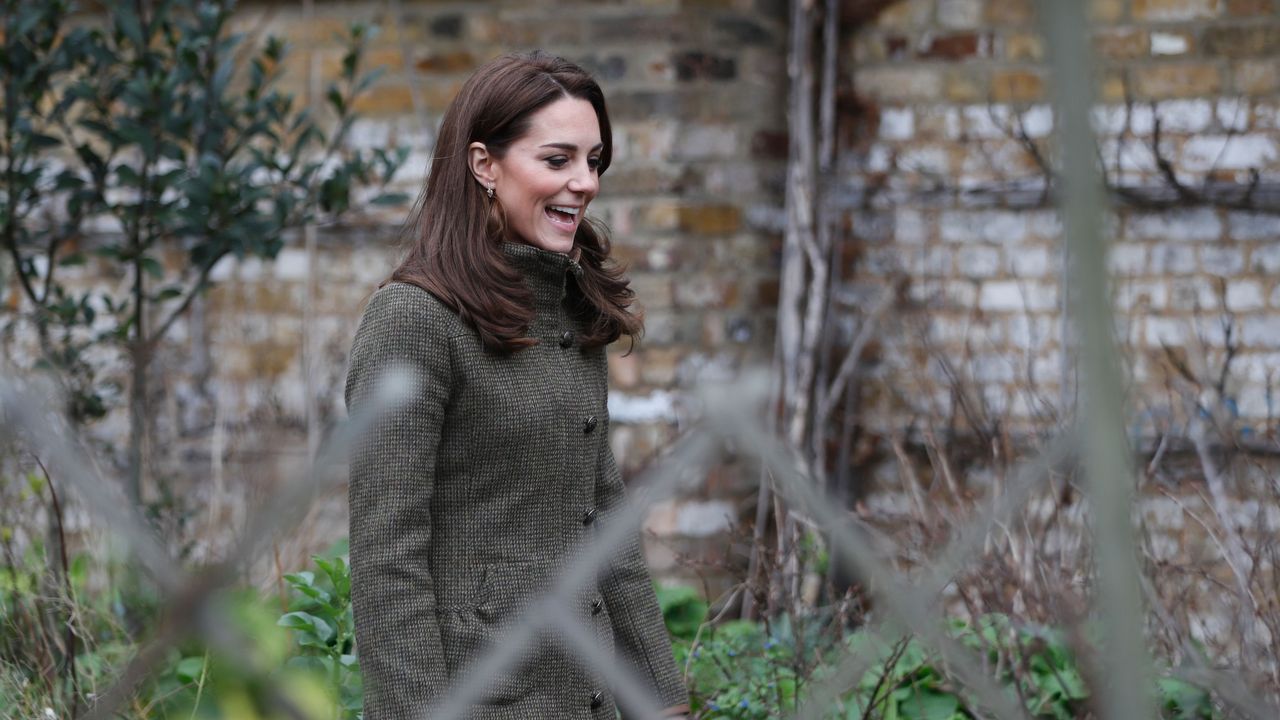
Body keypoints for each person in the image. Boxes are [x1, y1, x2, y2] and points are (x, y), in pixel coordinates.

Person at [344, 52, 690, 720]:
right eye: (557, 160)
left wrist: (661, 699)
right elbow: (387, 564)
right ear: (484, 165)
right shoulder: (414, 321)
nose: (584, 182)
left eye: (594, 161)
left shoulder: (571, 311)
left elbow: (604, 523)